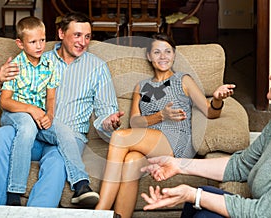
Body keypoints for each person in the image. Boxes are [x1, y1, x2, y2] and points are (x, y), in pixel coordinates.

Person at [0, 12, 123, 208]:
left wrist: (110, 121)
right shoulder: (39, 59)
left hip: (68, 138)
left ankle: (36, 213)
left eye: (88, 36)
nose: (83, 42)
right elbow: (7, 95)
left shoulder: (97, 67)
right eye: (77, 35)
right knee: (3, 135)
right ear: (61, 33)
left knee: (56, 163)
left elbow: (106, 111)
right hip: (34, 133)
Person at [95, 33, 235, 217]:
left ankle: (100, 212)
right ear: (149, 56)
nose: (163, 56)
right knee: (130, 162)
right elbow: (135, 121)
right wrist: (161, 115)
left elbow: (210, 112)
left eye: (168, 51)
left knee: (119, 137)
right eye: (157, 52)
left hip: (175, 140)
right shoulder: (143, 86)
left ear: (174, 55)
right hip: (149, 140)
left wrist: (217, 99)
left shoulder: (183, 80)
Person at [140, 52, 271, 218]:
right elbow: (240, 165)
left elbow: (262, 213)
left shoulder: (182, 82)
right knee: (200, 199)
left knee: (203, 211)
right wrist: (179, 165)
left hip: (261, 213)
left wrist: (193, 195)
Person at [0, 16, 93, 206]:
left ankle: (81, 183)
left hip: (40, 114)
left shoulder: (50, 65)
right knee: (26, 128)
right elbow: (5, 102)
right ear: (20, 43)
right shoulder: (15, 67)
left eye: (42, 40)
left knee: (64, 131)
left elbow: (51, 97)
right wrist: (32, 110)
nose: (39, 45)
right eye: (33, 42)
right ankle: (14, 193)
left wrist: (49, 115)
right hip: (18, 113)